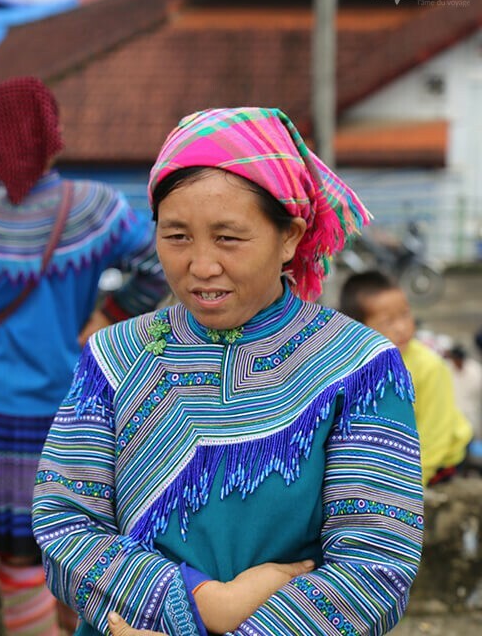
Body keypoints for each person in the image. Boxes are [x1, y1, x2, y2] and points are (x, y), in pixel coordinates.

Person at [33, 107, 424, 635]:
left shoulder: (359, 367)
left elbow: (376, 563)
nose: (200, 266)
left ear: (289, 236)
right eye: (176, 237)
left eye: (228, 238)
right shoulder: (113, 356)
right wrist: (204, 603)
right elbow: (65, 522)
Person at [0, 76, 169, 636]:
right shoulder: (98, 208)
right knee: (83, 540)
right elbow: (160, 263)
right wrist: (107, 315)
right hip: (75, 404)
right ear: (53, 134)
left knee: (16, 556)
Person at [339, 269, 473, 485]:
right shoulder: (351, 366)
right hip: (395, 449)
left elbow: (434, 438)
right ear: (357, 328)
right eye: (387, 322)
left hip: (440, 456)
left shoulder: (429, 367)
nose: (402, 328)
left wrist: (407, 487)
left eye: (405, 314)